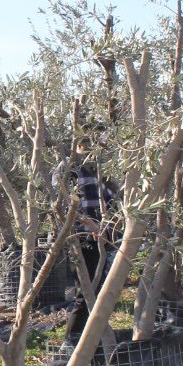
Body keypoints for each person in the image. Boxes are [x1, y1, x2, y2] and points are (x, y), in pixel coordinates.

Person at [60, 143, 115, 340]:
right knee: (85, 293)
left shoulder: (99, 170)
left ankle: (91, 340)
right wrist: (89, 223)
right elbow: (63, 202)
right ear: (78, 145)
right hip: (81, 239)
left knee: (97, 290)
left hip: (102, 238)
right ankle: (72, 341)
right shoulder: (67, 169)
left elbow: (111, 201)